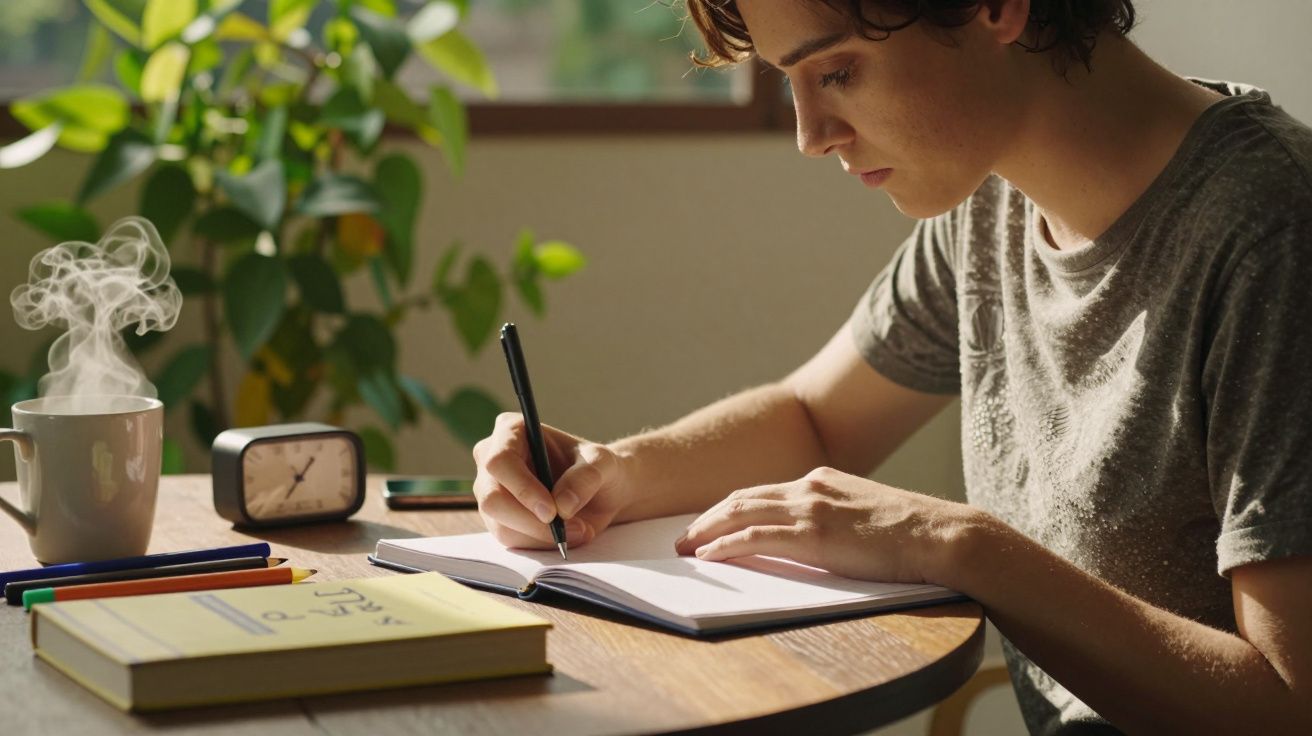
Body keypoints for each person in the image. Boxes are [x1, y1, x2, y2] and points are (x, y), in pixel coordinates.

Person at [471, 1, 1312, 732]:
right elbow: (817, 417)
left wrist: (957, 546)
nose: (809, 137)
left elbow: (1289, 705)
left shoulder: (1273, 234)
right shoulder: (995, 197)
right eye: (786, 80)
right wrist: (609, 476)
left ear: (995, 7)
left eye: (836, 70)